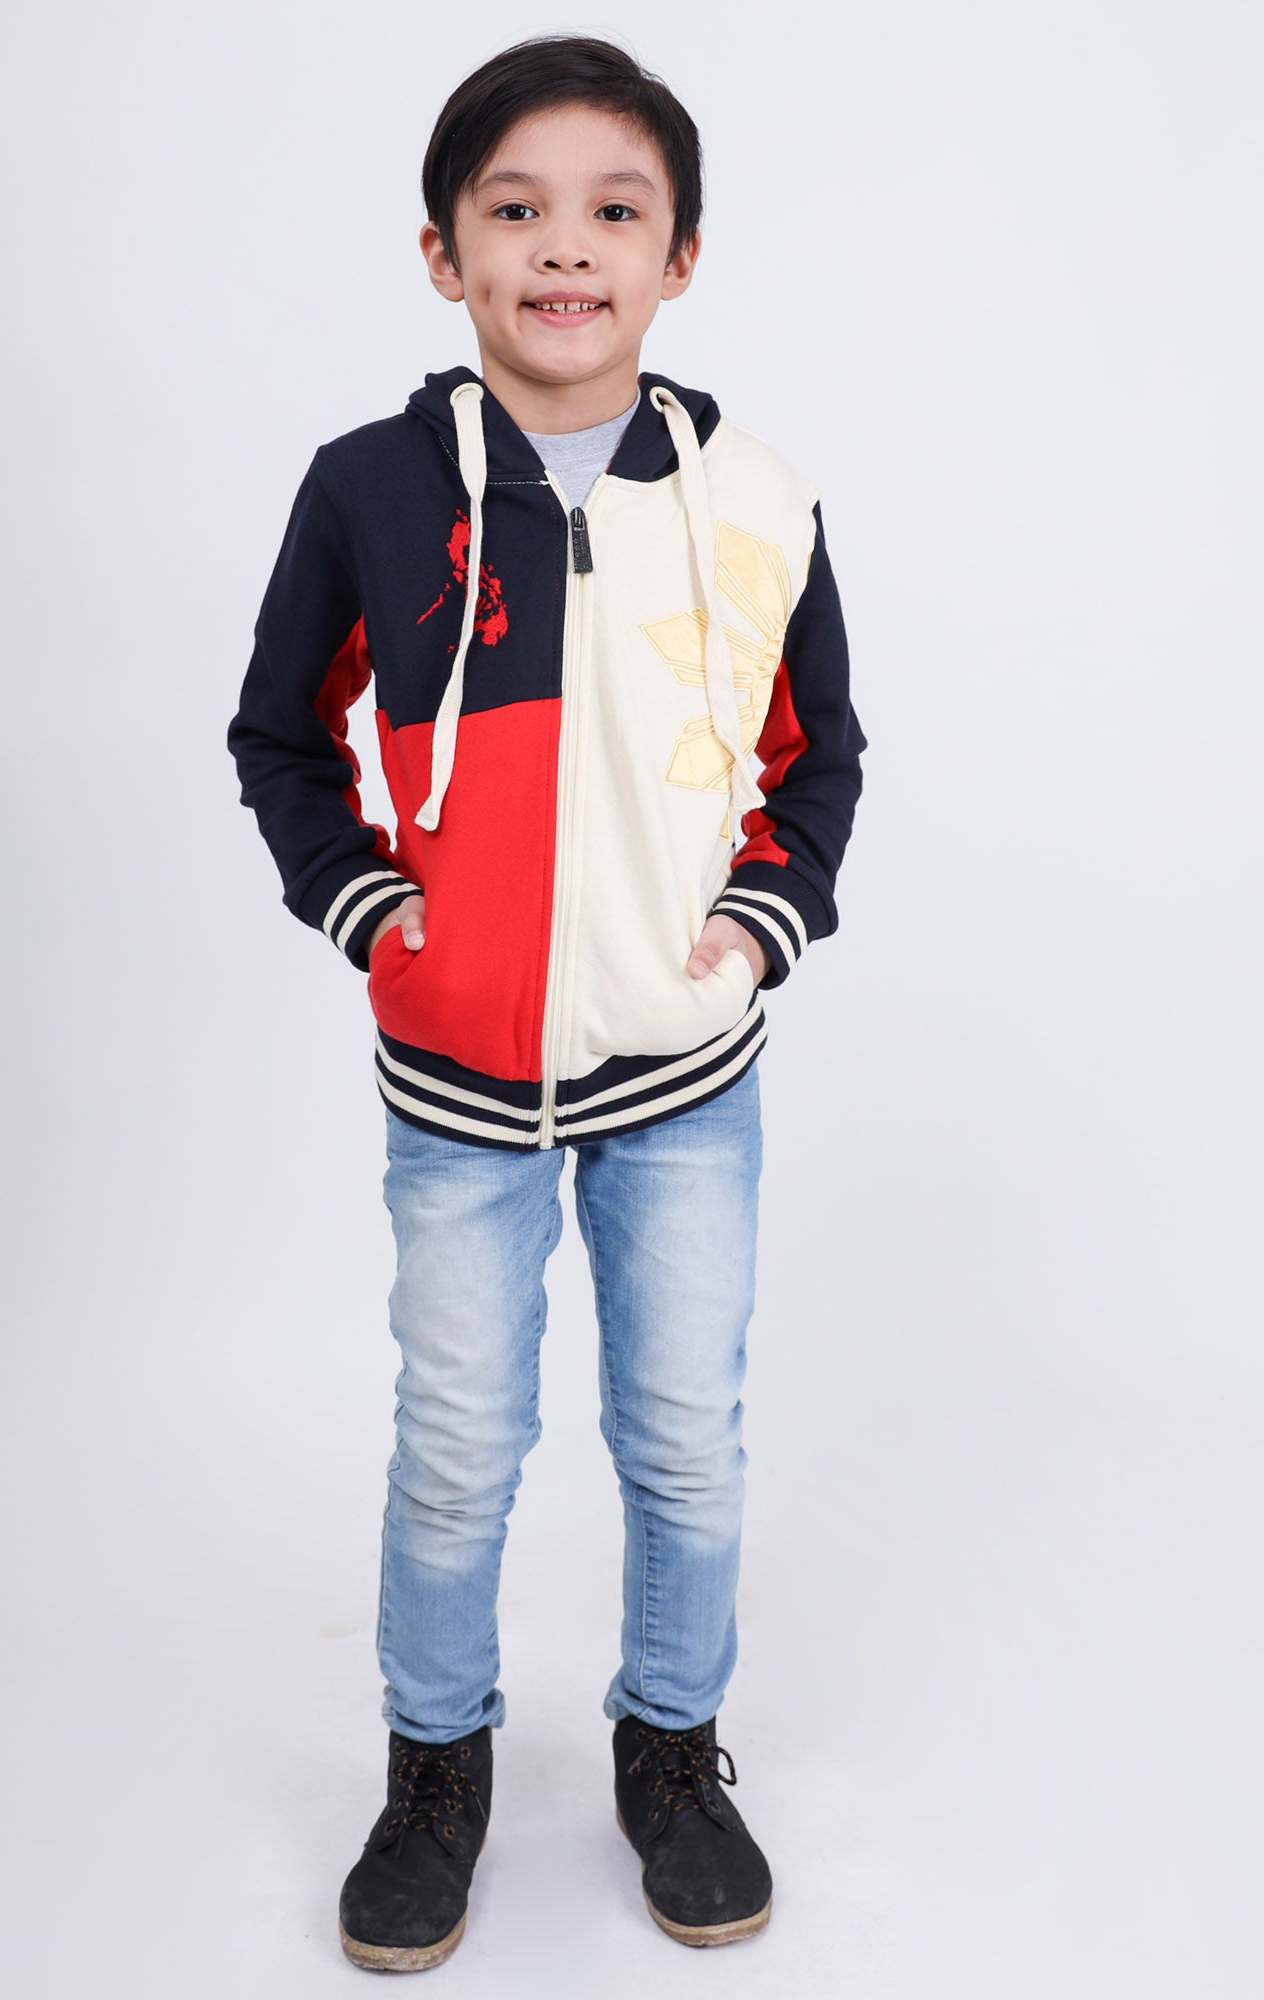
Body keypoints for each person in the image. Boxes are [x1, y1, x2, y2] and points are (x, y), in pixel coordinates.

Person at [226, 31, 868, 1973]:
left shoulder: (757, 501)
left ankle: (668, 1748)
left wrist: (759, 922)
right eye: (514, 210)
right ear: (444, 253)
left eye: (612, 211)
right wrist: (375, 915)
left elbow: (818, 755)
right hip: (456, 1079)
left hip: (684, 1077)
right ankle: (436, 1769)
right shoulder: (367, 489)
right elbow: (280, 735)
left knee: (682, 1437)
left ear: (680, 256)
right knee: (456, 1445)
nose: (563, 248)